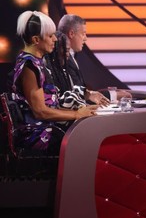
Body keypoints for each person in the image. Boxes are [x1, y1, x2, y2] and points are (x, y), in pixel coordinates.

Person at [9, 11, 96, 155]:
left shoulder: (35, 62)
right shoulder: (29, 66)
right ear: (36, 40)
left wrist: (81, 111)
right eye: (50, 36)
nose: (55, 39)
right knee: (87, 135)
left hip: (49, 127)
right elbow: (40, 112)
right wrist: (76, 114)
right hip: (39, 135)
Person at [56, 14, 129, 103]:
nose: (85, 38)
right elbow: (76, 96)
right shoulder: (62, 59)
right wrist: (112, 95)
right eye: (83, 34)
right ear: (71, 33)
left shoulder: (72, 56)